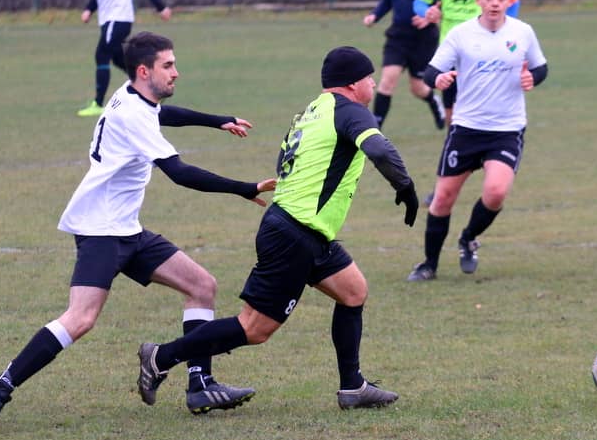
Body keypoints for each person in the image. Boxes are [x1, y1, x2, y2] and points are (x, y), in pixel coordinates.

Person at [0, 32, 274, 435]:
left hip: (126, 228)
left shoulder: (132, 97)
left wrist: (216, 120)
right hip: (100, 230)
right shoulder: (132, 115)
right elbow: (180, 173)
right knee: (81, 318)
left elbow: (163, 114)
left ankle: (200, 384)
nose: (176, 72)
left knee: (202, 286)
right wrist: (244, 188)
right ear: (144, 71)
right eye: (168, 66)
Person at [136, 46, 420, 411]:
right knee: (254, 328)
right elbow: (379, 150)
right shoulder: (350, 111)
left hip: (304, 229)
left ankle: (353, 386)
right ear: (352, 83)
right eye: (369, 77)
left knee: (353, 291)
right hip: (294, 233)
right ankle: (161, 356)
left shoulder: (313, 110)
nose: (374, 83)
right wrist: (405, 187)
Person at [407, 0, 548, 282]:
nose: (495, 3)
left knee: (496, 193)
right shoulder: (461, 34)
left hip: (507, 129)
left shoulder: (523, 32)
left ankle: (468, 237)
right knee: (443, 198)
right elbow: (432, 71)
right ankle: (429, 264)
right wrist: (438, 80)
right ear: (479, 1)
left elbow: (540, 67)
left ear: (508, 1)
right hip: (466, 129)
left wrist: (533, 78)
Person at [413, 0, 518, 130]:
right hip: (451, 49)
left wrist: (506, 29)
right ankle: (455, 146)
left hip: (485, 48)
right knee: (451, 113)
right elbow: (419, 2)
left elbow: (513, 1)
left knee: (486, 106)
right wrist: (427, 12)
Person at [78, 0, 173, 118]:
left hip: (119, 17)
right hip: (106, 19)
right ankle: (151, 86)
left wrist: (160, 6)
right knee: (118, 57)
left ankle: (98, 103)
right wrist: (89, 9)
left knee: (102, 54)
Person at [363, 0, 445, 131]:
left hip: (423, 38)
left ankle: (434, 101)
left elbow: (444, 0)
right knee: (387, 81)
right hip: (398, 36)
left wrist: (429, 17)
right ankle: (375, 129)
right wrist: (374, 15)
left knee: (418, 88)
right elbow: (387, 1)